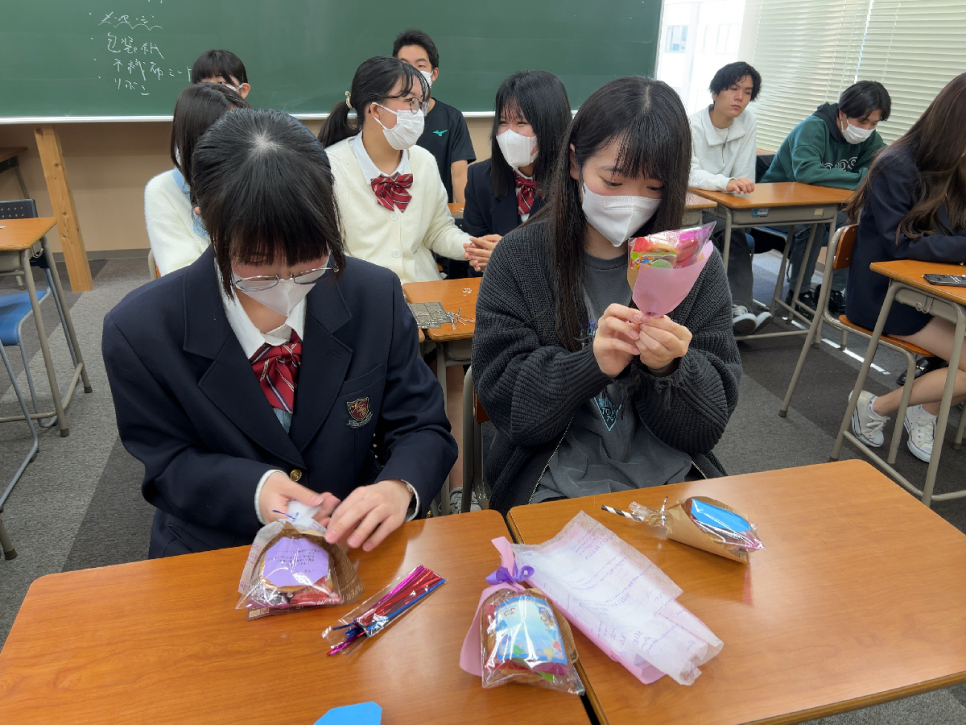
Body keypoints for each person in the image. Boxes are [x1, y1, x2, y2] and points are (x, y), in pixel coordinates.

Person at [105, 109, 456, 557]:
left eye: (309, 260)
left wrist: (397, 487)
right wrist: (254, 489)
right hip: (217, 549)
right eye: (257, 264)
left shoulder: (373, 296)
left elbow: (422, 424)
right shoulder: (141, 330)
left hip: (350, 542)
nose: (287, 283)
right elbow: (166, 462)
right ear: (206, 221)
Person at [472, 77, 741, 514]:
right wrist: (589, 365)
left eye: (653, 187)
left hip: (670, 479)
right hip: (551, 478)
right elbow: (510, 411)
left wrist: (671, 368)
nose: (631, 202)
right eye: (613, 181)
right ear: (574, 162)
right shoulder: (520, 258)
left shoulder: (691, 263)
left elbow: (706, 427)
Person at [846, 73, 966, 464]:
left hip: (932, 291)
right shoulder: (896, 165)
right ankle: (877, 406)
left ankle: (923, 409)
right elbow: (900, 244)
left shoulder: (956, 166)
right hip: (886, 295)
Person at [762, 81, 890, 313]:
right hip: (776, 206)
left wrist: (866, 177)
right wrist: (862, 178)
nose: (867, 129)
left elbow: (881, 172)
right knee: (816, 222)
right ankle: (798, 292)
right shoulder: (813, 128)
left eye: (874, 123)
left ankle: (833, 290)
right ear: (842, 113)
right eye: (862, 121)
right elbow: (807, 172)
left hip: (821, 206)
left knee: (858, 222)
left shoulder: (870, 139)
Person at [689, 61, 767, 335]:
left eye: (747, 92)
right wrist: (727, 183)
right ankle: (738, 307)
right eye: (733, 89)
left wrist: (736, 185)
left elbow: (744, 174)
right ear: (715, 92)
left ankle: (741, 306)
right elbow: (690, 175)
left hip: (725, 203)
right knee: (729, 234)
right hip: (692, 204)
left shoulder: (747, 121)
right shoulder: (692, 125)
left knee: (736, 232)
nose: (740, 98)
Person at [144, 83, 248, 276]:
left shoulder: (258, 174)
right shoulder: (163, 190)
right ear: (197, 140)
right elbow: (182, 275)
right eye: (229, 135)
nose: (243, 143)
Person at [463, 70, 571, 244]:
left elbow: (573, 251)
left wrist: (506, 254)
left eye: (521, 122)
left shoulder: (575, 180)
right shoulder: (480, 178)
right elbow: (476, 248)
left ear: (551, 124)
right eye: (503, 122)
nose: (509, 134)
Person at [392, 29, 476, 203]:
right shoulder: (386, 116)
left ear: (434, 74)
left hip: (437, 213)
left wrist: (466, 217)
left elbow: (459, 177)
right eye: (404, 65)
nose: (412, 73)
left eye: (420, 66)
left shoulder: (452, 118)